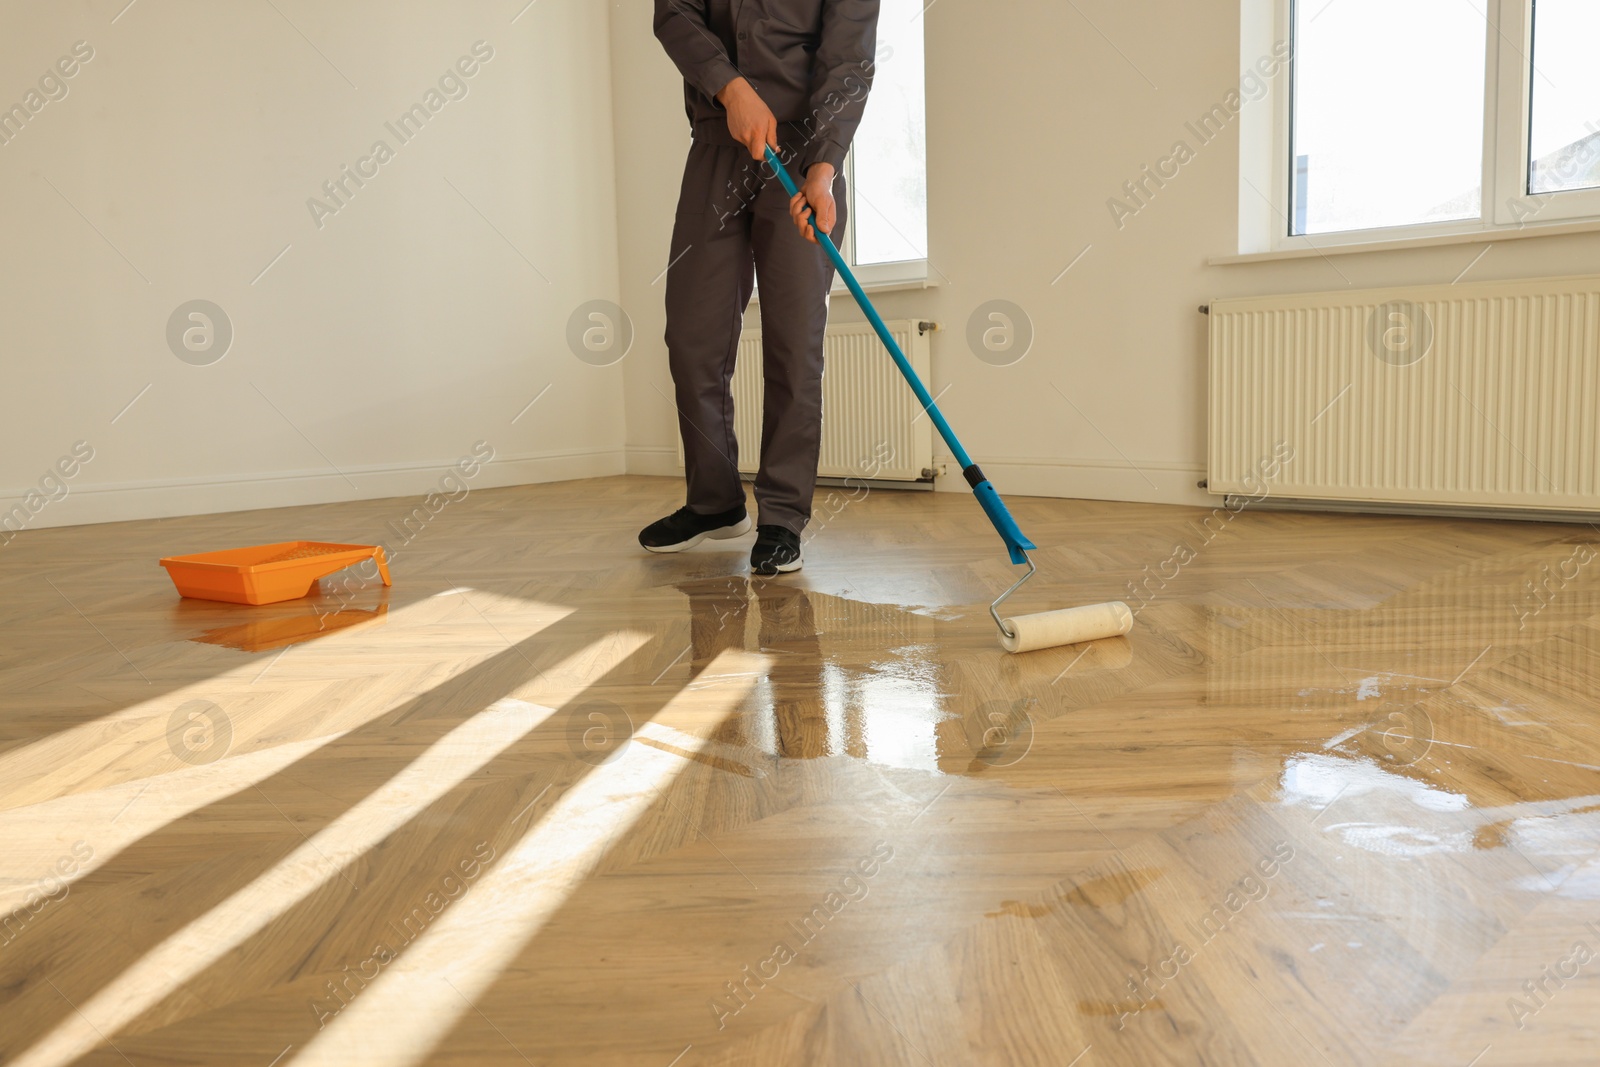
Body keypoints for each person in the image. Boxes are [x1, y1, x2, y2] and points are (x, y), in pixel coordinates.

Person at [640, 0, 881, 575]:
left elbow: (847, 60)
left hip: (802, 161)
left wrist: (824, 171)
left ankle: (782, 517)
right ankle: (716, 505)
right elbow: (674, 13)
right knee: (693, 340)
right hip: (717, 145)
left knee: (794, 344)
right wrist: (730, 88)